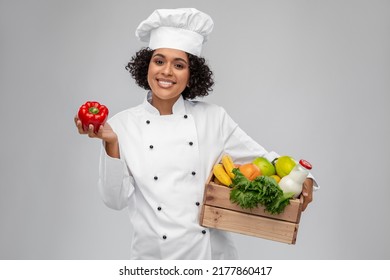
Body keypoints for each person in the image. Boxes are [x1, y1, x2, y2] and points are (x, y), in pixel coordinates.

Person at [75, 8, 318, 260]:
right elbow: (114, 201)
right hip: (153, 260)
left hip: (211, 258)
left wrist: (305, 177)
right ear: (146, 66)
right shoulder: (121, 125)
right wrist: (111, 144)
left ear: (191, 76)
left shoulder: (213, 118)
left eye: (179, 65)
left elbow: (264, 160)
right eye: (159, 61)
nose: (167, 72)